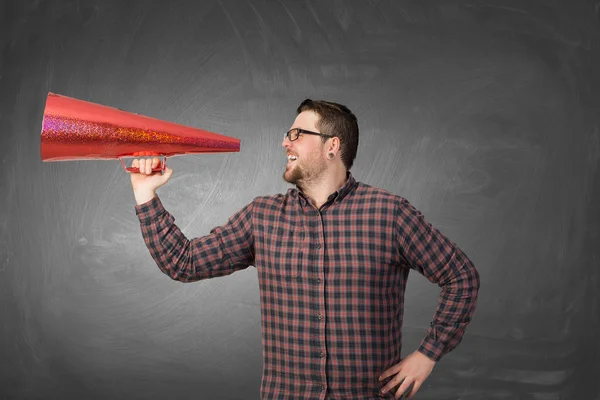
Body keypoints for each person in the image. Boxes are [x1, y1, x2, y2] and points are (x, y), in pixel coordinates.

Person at [129, 99, 480, 399]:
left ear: (332, 146)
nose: (285, 142)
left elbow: (461, 277)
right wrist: (145, 193)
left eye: (296, 134)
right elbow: (184, 262)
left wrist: (428, 354)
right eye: (286, 134)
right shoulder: (261, 217)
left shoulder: (390, 214)